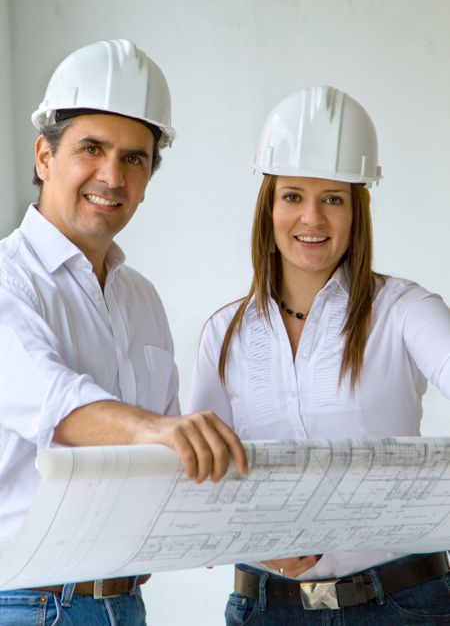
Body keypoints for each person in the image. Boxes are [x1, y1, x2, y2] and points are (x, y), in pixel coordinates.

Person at [0, 38, 247, 626]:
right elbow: (57, 404)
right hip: (25, 602)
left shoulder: (139, 299)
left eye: (134, 158)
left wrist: (254, 537)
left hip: (124, 602)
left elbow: (163, 463)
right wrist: (160, 429)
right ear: (44, 156)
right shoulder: (8, 282)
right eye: (92, 148)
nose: (112, 176)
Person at [188, 84, 450, 625]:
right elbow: (198, 477)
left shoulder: (406, 312)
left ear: (359, 209)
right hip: (267, 609)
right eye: (293, 196)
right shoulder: (225, 333)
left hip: (403, 605)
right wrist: (252, 536)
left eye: (333, 198)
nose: (312, 219)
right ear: (269, 204)